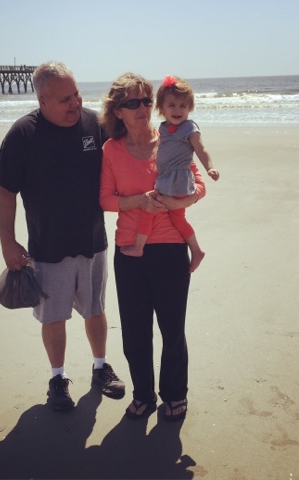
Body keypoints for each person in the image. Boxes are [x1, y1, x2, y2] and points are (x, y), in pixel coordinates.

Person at [0, 61, 125, 411]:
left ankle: (100, 367)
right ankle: (57, 379)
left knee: (95, 309)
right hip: (48, 247)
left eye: (77, 94)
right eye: (65, 99)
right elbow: (5, 192)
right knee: (54, 316)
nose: (75, 103)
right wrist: (7, 241)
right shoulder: (23, 134)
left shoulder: (95, 125)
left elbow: (132, 149)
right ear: (42, 100)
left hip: (92, 241)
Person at [99, 72, 206, 421]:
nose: (142, 108)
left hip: (171, 249)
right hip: (129, 249)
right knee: (135, 332)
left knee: (172, 330)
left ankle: (175, 394)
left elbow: (199, 181)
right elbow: (105, 199)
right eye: (133, 103)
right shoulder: (111, 150)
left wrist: (182, 201)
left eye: (146, 100)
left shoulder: (172, 136)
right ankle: (143, 394)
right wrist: (139, 202)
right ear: (118, 111)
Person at [120, 75, 219, 273]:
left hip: (177, 182)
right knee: (176, 218)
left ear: (190, 108)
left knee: (153, 212)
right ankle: (196, 250)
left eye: (183, 106)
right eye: (172, 105)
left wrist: (209, 167)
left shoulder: (189, 128)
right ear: (161, 108)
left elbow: (201, 149)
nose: (177, 110)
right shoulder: (164, 128)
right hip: (166, 180)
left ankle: (140, 247)